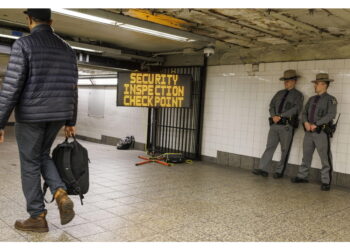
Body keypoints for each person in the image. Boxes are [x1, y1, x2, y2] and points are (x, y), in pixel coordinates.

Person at [0, 9, 78, 232]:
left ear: (29, 20)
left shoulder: (24, 44)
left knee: (29, 163)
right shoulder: (67, 49)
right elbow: (73, 88)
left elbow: (11, 87)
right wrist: (70, 120)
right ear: (51, 22)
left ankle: (37, 216)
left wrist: (0, 122)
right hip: (58, 114)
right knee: (42, 155)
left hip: (32, 115)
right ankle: (60, 193)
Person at [252, 70, 304, 178]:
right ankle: (263, 169)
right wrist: (273, 115)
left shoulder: (298, 95)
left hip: (286, 126)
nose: (286, 82)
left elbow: (296, 109)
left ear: (294, 81)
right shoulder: (279, 93)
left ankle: (280, 171)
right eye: (285, 80)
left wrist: (281, 116)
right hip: (275, 125)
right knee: (269, 146)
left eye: (288, 80)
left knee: (285, 149)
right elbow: (271, 106)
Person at [291, 73, 337, 191]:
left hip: (321, 133)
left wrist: (316, 124)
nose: (314, 86)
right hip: (309, 132)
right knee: (306, 155)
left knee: (325, 157)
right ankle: (302, 176)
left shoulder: (331, 99)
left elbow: (331, 114)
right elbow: (305, 113)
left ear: (324, 85)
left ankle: (326, 181)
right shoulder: (311, 99)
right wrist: (306, 122)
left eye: (316, 84)